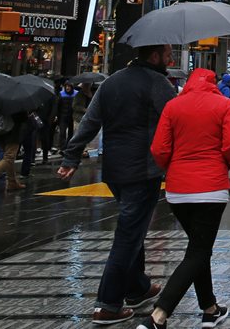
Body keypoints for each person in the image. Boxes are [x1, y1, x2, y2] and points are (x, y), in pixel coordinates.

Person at [58, 44, 177, 325]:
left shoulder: (111, 82)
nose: (171, 59)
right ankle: (107, 304)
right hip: (143, 169)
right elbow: (176, 118)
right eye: (168, 54)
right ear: (155, 55)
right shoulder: (157, 83)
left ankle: (137, 287)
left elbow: (90, 122)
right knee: (128, 234)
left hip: (114, 170)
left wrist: (71, 156)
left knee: (133, 226)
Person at [139, 68, 230, 329]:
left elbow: (159, 148)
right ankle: (159, 314)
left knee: (198, 247)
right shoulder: (225, 105)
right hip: (211, 187)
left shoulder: (173, 107)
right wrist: (222, 166)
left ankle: (210, 308)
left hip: (178, 189)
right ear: (213, 83)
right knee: (198, 251)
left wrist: (172, 168)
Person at [55, 81, 76, 150]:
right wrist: (57, 115)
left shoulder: (76, 94)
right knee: (62, 132)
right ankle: (63, 147)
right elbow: (58, 105)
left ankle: (69, 145)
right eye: (66, 86)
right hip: (63, 116)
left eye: (69, 86)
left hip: (72, 117)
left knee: (71, 132)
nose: (67, 88)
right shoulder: (61, 94)